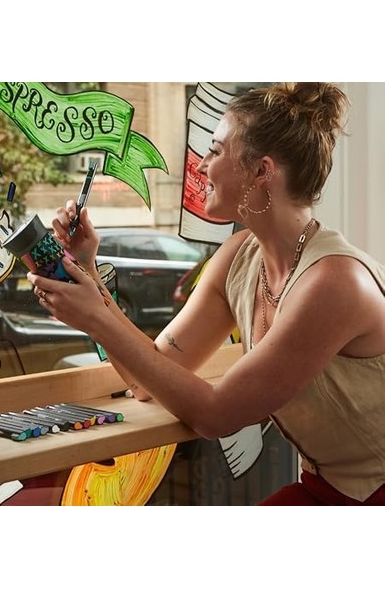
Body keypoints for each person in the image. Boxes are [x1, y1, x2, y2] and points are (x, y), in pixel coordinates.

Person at [28, 82, 385, 506]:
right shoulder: (238, 259)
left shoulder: (334, 281)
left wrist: (95, 317)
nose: (200, 166)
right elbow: (147, 379)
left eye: (215, 151)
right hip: (328, 491)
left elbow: (216, 415)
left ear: (261, 171)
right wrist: (88, 273)